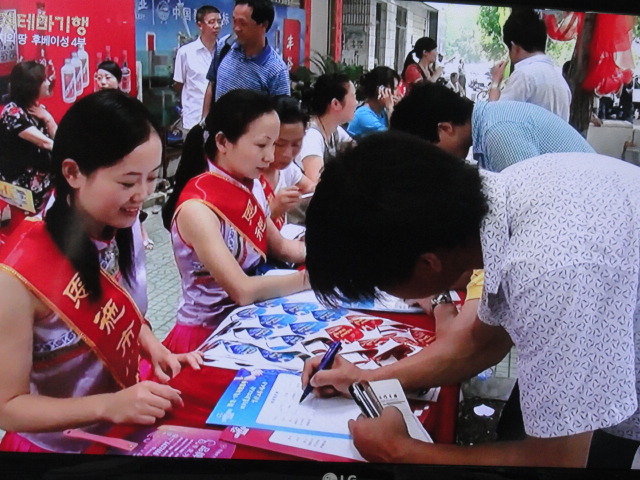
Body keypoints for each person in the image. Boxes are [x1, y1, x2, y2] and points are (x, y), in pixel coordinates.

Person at [301, 131, 640, 468]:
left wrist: (402, 452)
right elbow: (481, 343)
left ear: (428, 263)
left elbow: (559, 461)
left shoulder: (546, 273)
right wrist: (365, 379)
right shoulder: (510, 196)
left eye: (382, 286)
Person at [0, 90, 202, 454]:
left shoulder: (115, 225)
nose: (141, 195)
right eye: (127, 182)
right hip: (57, 447)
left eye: (152, 179)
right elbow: (9, 408)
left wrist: (156, 350)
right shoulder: (17, 277)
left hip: (120, 425)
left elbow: (122, 312)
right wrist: (108, 406)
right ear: (73, 173)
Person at [161, 90, 309, 354]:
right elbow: (242, 290)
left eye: (273, 144)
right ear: (222, 142)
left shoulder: (251, 185)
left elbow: (285, 248)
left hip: (251, 322)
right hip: (206, 338)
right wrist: (311, 279)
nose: (269, 156)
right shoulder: (198, 208)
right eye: (262, 145)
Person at [390, 82, 594, 172]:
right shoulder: (489, 123)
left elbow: (528, 207)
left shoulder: (498, 133)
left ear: (445, 129)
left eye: (430, 152)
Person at [202, 0, 290, 119]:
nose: (236, 28)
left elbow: (282, 117)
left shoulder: (276, 70)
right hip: (216, 134)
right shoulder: (225, 45)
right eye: (234, 21)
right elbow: (212, 85)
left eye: (243, 23)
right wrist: (204, 122)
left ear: (263, 25)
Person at [0, 61, 57, 239]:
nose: (49, 83)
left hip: (44, 184)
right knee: (25, 234)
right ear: (31, 87)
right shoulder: (13, 113)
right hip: (23, 189)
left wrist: (48, 119)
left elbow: (58, 137)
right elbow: (47, 143)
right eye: (44, 80)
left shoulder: (38, 109)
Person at [489, 9, 571, 122]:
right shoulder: (561, 81)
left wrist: (495, 82)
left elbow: (495, 119)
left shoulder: (524, 76)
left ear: (514, 47)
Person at [260, 96, 315, 230]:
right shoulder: (247, 175)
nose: (287, 154)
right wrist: (272, 210)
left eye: (296, 144)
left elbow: (311, 188)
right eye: (280, 144)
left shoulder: (288, 169)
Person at [295, 73, 356, 184]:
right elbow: (317, 182)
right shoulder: (311, 136)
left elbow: (360, 154)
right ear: (336, 103)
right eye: (354, 96)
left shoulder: (335, 130)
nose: (356, 103)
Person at [173, 5, 221, 133]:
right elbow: (179, 84)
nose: (216, 26)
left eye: (219, 21)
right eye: (211, 22)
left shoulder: (225, 52)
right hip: (193, 120)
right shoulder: (185, 52)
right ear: (200, 25)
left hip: (219, 121)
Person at [347, 66, 402, 140]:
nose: (399, 93)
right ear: (380, 90)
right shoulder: (364, 115)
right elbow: (392, 138)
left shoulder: (382, 112)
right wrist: (390, 108)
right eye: (395, 88)